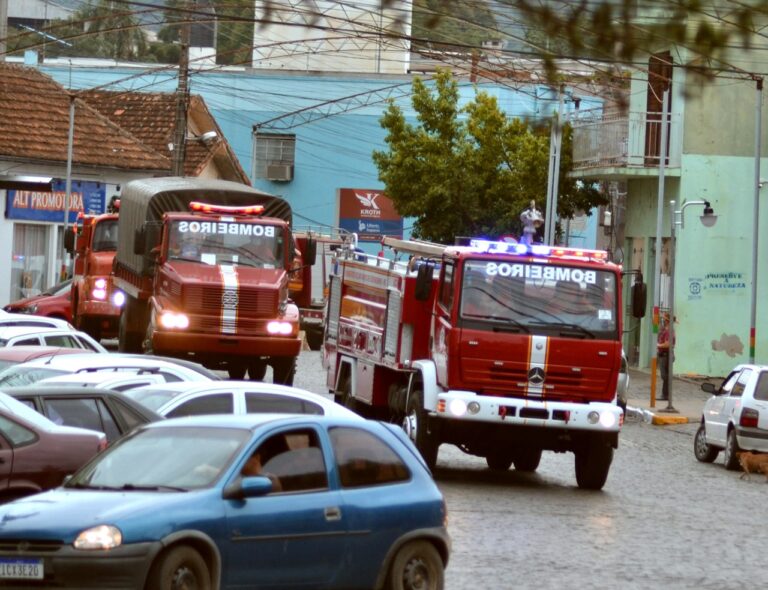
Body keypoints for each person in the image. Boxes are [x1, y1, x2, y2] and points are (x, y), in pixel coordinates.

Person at [657, 313, 674, 401]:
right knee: (665, 376)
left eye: (663, 319)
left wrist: (658, 345)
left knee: (665, 376)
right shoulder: (665, 330)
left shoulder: (669, 331)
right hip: (664, 355)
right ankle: (665, 394)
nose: (662, 321)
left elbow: (668, 344)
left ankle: (665, 395)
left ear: (667, 321)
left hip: (666, 355)